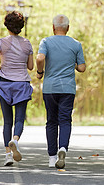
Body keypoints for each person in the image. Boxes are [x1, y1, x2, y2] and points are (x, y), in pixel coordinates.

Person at [36, 14, 86, 169]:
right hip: (68, 88)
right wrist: (75, 66)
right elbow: (82, 67)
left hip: (50, 88)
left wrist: (40, 72)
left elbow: (39, 58)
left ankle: (52, 157)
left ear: (53, 27)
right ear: (68, 28)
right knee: (65, 120)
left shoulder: (46, 42)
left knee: (51, 121)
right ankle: (62, 148)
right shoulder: (76, 44)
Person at [0, 11, 34, 166]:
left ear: (7, 25)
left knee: (7, 120)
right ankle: (15, 140)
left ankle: (8, 155)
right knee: (19, 118)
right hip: (22, 83)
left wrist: (0, 67)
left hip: (5, 83)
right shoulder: (27, 43)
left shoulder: (1, 42)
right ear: (21, 26)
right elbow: (30, 66)